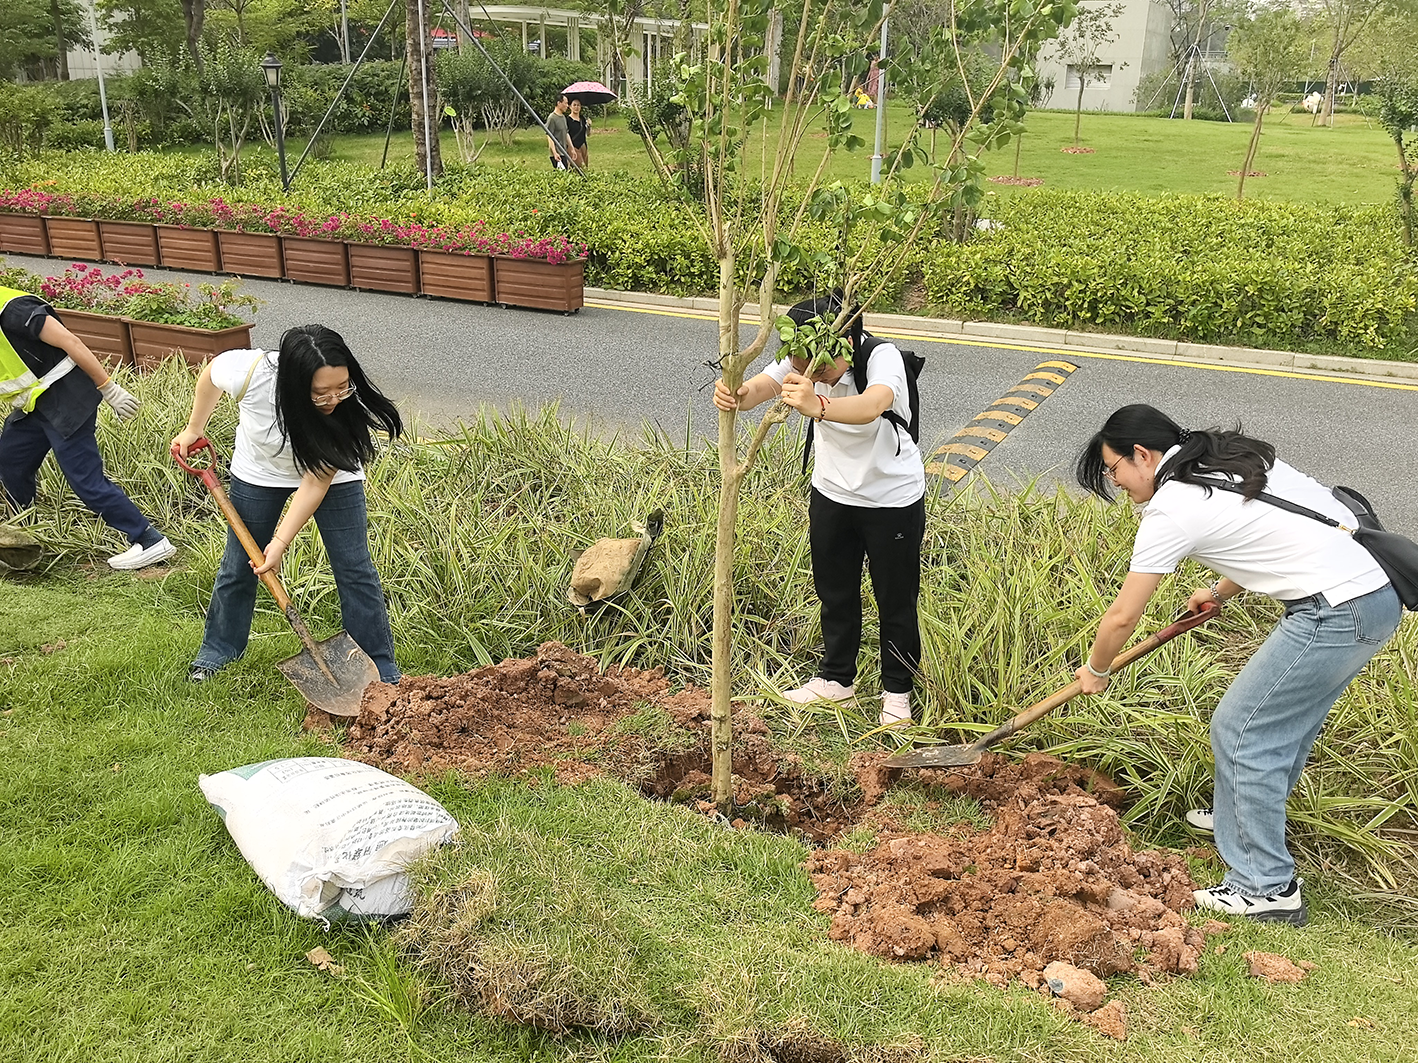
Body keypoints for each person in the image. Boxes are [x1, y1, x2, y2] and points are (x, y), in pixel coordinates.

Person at [1074, 404, 1400, 926]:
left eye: (1114, 470)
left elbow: (1122, 617)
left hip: (1335, 612)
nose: (1116, 483)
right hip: (1371, 598)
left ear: (1141, 455)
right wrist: (1221, 590)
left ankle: (1265, 887)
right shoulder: (1228, 458)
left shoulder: (1173, 506)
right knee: (1279, 728)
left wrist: (1096, 670)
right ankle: (1241, 820)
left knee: (1242, 730)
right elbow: (1284, 525)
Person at [713, 297, 926, 727]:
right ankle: (836, 680)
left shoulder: (881, 357)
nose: (811, 375)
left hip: (891, 499)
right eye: (801, 365)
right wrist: (735, 394)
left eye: (820, 368)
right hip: (831, 492)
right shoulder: (804, 355)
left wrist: (819, 406)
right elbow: (763, 386)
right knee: (835, 591)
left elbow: (874, 404)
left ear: (844, 344)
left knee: (895, 600)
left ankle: (897, 693)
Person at [171, 325, 403, 685]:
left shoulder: (343, 411)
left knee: (354, 568)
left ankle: (379, 667)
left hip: (332, 473)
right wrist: (193, 428)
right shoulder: (250, 374)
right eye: (320, 393)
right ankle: (217, 652)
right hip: (259, 472)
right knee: (238, 566)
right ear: (293, 384)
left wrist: (278, 545)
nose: (333, 399)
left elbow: (315, 482)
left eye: (342, 387)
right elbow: (211, 374)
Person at [0, 283, 175, 570]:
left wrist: (108, 387)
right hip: (37, 406)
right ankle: (22, 535)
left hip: (68, 399)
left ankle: (149, 540)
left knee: (86, 481)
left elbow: (72, 342)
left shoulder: (15, 310)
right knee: (11, 459)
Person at [545, 94, 572, 171]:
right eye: (565, 103)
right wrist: (554, 152)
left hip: (564, 152)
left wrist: (571, 148)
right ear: (559, 103)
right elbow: (549, 136)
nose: (567, 106)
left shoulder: (563, 117)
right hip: (557, 154)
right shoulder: (552, 118)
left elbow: (566, 133)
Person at [566, 98, 590, 170]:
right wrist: (571, 148)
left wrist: (589, 126)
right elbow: (566, 134)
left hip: (583, 146)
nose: (576, 107)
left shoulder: (582, 119)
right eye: (574, 105)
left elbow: (588, 134)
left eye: (578, 105)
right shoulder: (568, 120)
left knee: (585, 168)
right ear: (570, 107)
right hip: (574, 147)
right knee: (581, 168)